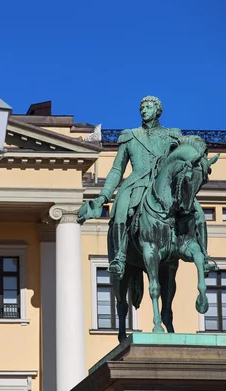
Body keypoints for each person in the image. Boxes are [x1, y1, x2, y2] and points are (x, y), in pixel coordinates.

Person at [77, 95, 182, 278]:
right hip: (135, 184)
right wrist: (103, 197)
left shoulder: (171, 135)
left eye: (148, 107)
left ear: (157, 110)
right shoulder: (130, 136)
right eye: (142, 107)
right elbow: (117, 170)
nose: (144, 110)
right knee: (119, 214)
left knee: (193, 210)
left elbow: (182, 162)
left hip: (163, 186)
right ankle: (119, 257)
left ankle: (200, 252)